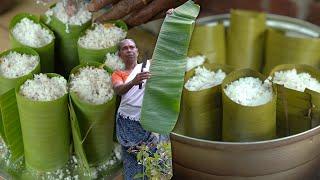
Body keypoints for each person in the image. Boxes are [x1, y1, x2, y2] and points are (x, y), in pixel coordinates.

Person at [111, 38, 158, 179]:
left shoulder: (147, 66)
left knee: (155, 158)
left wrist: (170, 17)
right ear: (120, 55)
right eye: (125, 48)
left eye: (132, 47)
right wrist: (133, 81)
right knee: (133, 160)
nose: (129, 50)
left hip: (150, 118)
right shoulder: (118, 74)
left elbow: (166, 54)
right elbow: (118, 89)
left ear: (137, 51)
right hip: (129, 121)